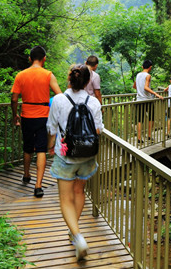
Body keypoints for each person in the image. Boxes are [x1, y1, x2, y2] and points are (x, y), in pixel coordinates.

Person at [46, 64, 104, 261]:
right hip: (87, 155)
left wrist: (50, 145)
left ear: (69, 79)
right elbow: (98, 130)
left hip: (65, 156)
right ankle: (74, 232)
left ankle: (78, 236)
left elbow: (51, 128)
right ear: (88, 81)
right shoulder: (94, 102)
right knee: (79, 192)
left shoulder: (59, 100)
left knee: (65, 199)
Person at [11, 46, 62, 198]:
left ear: (29, 58)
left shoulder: (20, 75)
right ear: (44, 58)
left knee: (27, 147)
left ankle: (26, 175)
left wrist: (15, 116)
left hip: (26, 115)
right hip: (43, 116)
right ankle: (38, 186)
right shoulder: (48, 75)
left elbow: (14, 99)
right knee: (40, 149)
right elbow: (59, 95)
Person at [133, 60, 163, 144]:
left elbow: (134, 86)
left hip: (139, 100)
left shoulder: (138, 75)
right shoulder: (148, 75)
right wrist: (156, 94)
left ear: (142, 67)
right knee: (151, 118)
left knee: (140, 120)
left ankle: (139, 139)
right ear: (150, 67)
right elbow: (146, 87)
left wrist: (140, 90)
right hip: (147, 100)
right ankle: (149, 136)